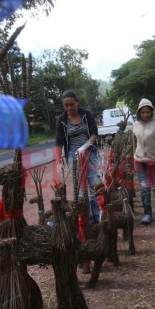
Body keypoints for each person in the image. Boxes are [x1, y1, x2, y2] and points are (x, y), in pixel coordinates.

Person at [54, 90, 101, 224]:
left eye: (71, 104)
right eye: (66, 105)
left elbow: (94, 134)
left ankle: (97, 217)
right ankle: (87, 218)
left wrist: (84, 147)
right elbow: (59, 142)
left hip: (90, 152)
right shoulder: (62, 121)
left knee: (94, 185)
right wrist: (58, 163)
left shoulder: (87, 114)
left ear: (77, 102)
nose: (69, 108)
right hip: (73, 156)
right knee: (81, 187)